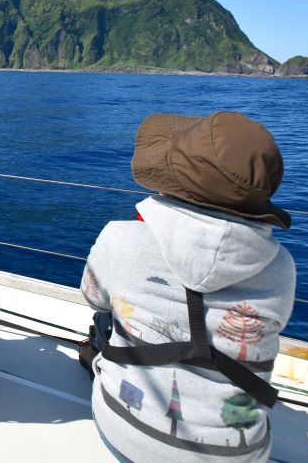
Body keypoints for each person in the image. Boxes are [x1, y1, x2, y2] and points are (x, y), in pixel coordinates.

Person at [81, 111, 296, 462]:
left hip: (125, 437)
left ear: (170, 180)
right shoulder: (280, 266)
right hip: (237, 455)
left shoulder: (120, 238)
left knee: (106, 315)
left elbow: (91, 296)